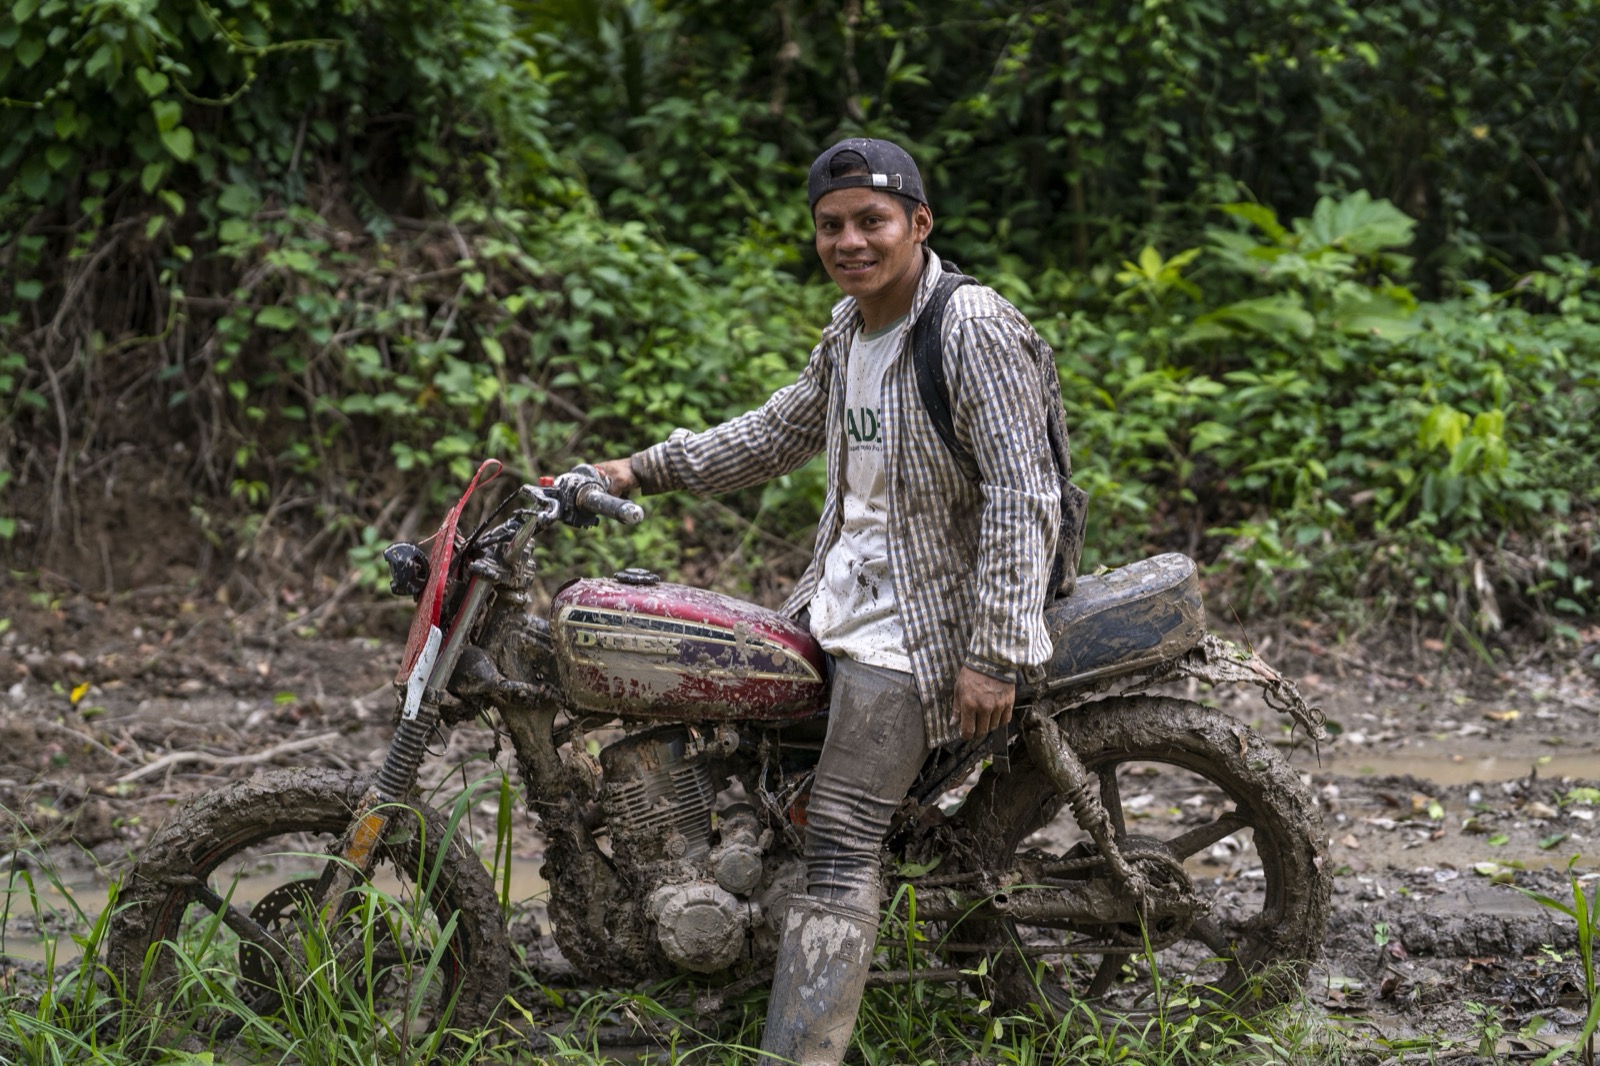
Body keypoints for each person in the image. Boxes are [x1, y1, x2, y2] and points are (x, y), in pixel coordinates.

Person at [595, 136, 1076, 1066]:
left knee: (842, 842)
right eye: (831, 225)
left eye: (871, 221)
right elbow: (774, 432)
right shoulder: (853, 330)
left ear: (918, 224)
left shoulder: (969, 327)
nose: (850, 240)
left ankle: (800, 1056)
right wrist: (636, 468)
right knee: (754, 765)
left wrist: (994, 652)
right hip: (846, 601)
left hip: (926, 630)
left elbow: (1027, 494)